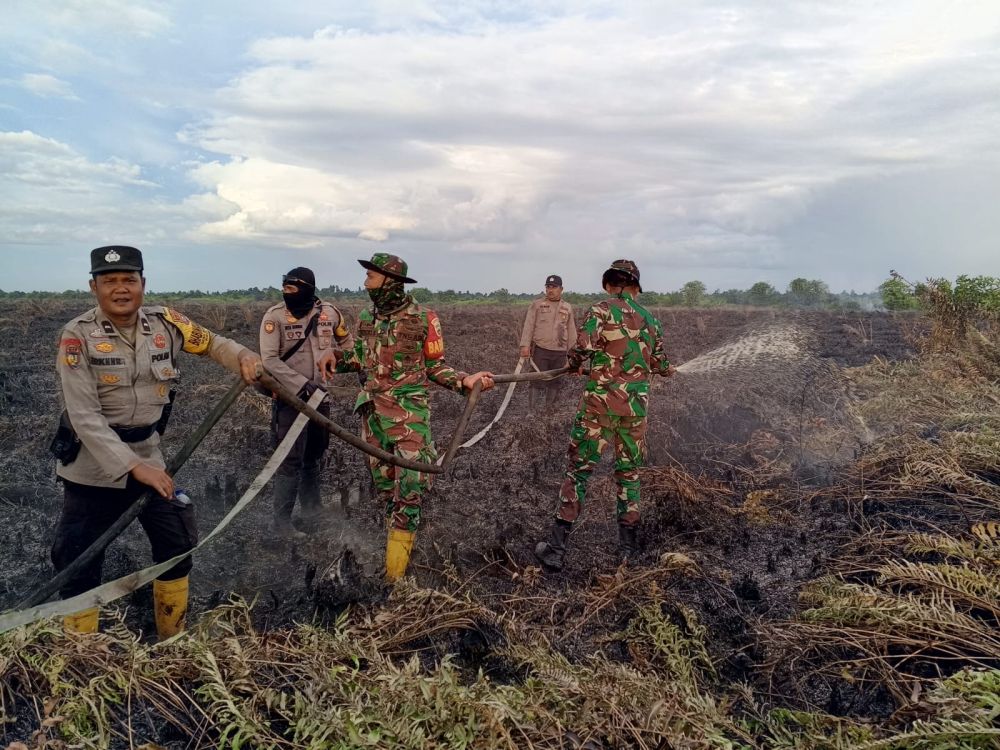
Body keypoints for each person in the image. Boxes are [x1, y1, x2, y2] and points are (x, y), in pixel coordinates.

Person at [52, 246, 263, 638]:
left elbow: (214, 343)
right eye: (110, 281)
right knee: (77, 563)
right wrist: (136, 468)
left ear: (143, 284)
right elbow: (84, 417)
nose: (120, 289)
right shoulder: (77, 336)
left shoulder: (166, 323)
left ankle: (172, 638)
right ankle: (79, 656)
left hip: (149, 453)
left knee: (176, 545)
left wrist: (245, 356)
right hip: (91, 468)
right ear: (93, 287)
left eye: (129, 280)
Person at [320, 253, 495, 580]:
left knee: (410, 486)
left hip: (408, 417)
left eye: (371, 277)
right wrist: (336, 356)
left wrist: (465, 381)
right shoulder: (366, 317)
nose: (365, 283)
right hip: (372, 416)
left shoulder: (424, 319)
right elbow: (361, 357)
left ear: (390, 281)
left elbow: (434, 365)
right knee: (387, 488)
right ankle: (397, 557)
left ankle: (395, 581)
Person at [534, 259, 675, 572]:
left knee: (579, 471)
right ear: (635, 286)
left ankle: (556, 549)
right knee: (629, 474)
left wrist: (574, 364)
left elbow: (581, 348)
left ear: (610, 284)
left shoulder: (599, 310)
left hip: (599, 409)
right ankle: (629, 551)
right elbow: (661, 363)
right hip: (635, 412)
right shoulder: (651, 319)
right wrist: (666, 370)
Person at [260, 267, 352, 540]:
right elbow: (269, 360)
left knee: (313, 455)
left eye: (294, 288)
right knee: (289, 460)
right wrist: (301, 385)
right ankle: (281, 524)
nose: (288, 293)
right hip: (290, 399)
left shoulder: (330, 313)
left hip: (321, 397)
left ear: (309, 289)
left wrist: (338, 355)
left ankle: (313, 512)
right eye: (285, 288)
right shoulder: (274, 317)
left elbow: (347, 341)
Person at [518, 274, 576, 410]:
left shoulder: (567, 307)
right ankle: (531, 411)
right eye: (548, 287)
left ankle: (548, 410)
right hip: (541, 349)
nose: (550, 290)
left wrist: (572, 354)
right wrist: (525, 345)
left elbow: (572, 331)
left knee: (555, 382)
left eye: (554, 287)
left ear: (561, 289)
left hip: (560, 352)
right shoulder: (537, 305)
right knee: (536, 380)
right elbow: (529, 325)